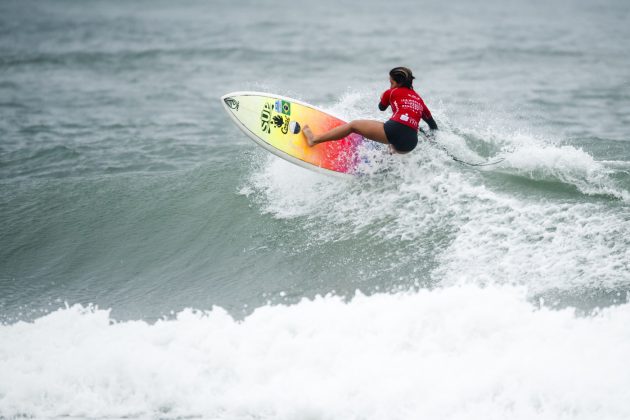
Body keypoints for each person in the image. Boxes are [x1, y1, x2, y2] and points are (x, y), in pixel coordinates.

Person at [303, 67, 438, 154]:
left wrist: (382, 97)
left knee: (353, 125)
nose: (390, 85)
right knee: (392, 146)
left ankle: (314, 139)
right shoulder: (419, 100)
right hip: (410, 142)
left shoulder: (391, 92)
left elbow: (381, 107)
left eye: (391, 82)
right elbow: (433, 125)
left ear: (398, 83)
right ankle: (385, 162)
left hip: (394, 130)